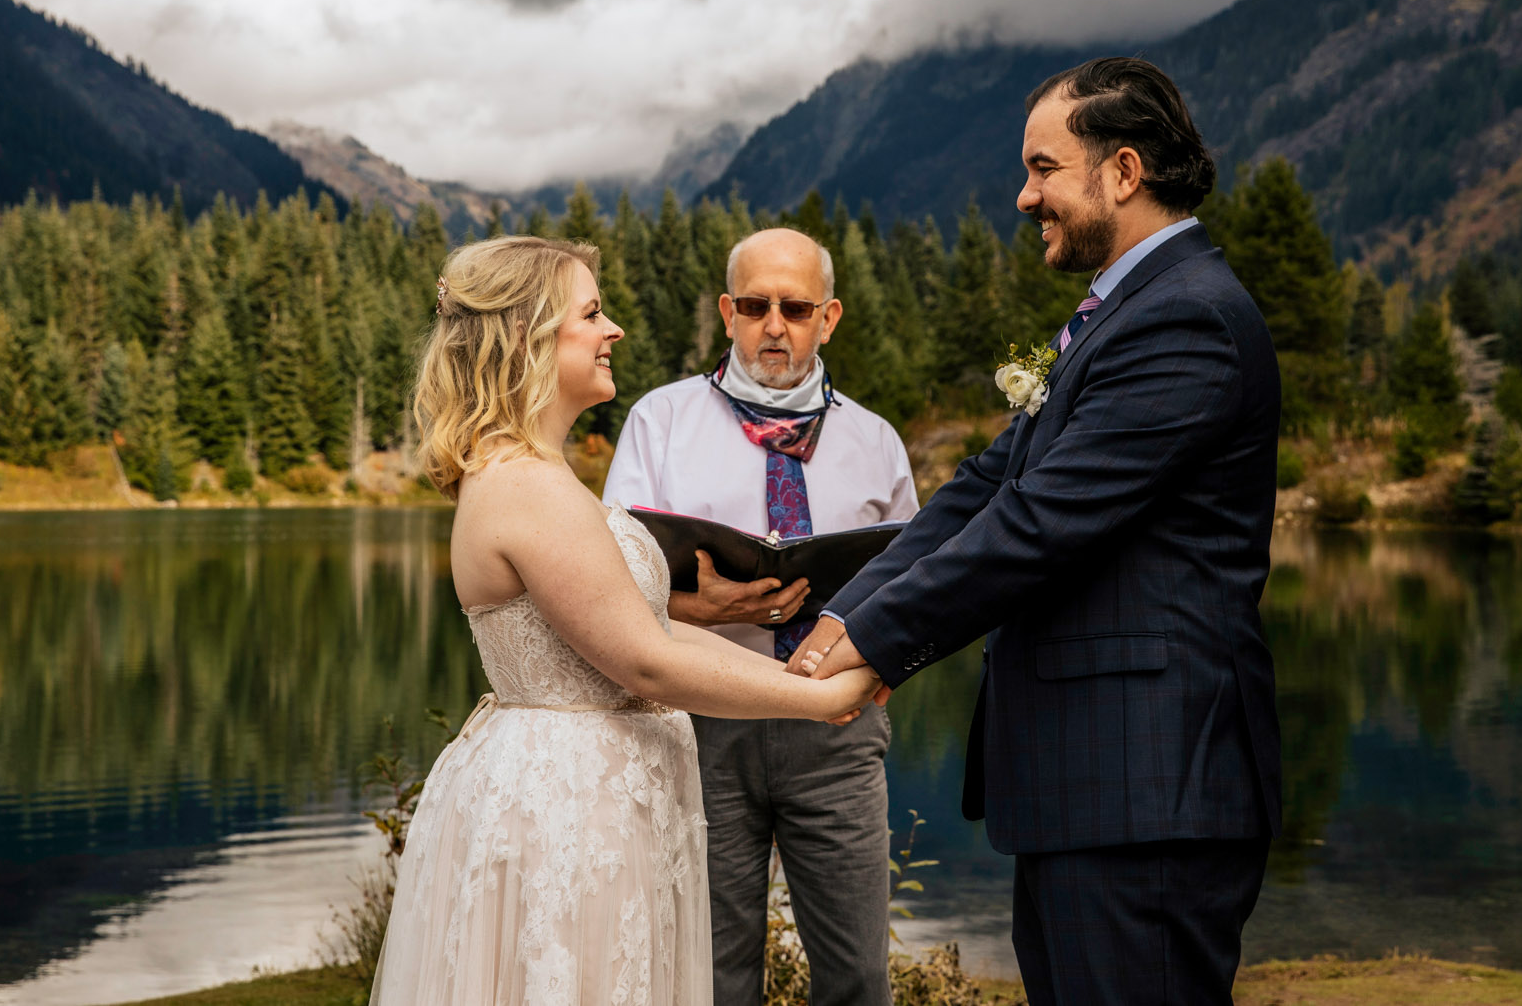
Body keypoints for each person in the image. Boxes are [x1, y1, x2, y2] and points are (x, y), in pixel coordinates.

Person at [795, 58, 1284, 1006]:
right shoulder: (1125, 310)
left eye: (1043, 168)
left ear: (1124, 170)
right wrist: (843, 614)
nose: (1025, 197)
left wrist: (875, 649)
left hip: (1149, 788)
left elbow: (1041, 524)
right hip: (1095, 788)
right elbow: (985, 486)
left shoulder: (1188, 319)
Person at [372, 235, 881, 1006]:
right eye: (592, 312)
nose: (613, 331)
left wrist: (798, 670)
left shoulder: (540, 474)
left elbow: (651, 631)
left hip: (600, 803)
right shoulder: (525, 487)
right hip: (567, 816)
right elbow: (645, 659)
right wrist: (820, 697)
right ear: (530, 335)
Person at [603, 226, 918, 1006]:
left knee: (856, 974)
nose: (774, 324)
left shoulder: (876, 441)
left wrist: (881, 653)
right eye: (754, 305)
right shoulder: (659, 421)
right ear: (726, 311)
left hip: (837, 728)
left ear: (830, 316)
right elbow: (605, 578)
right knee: (713, 972)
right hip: (697, 720)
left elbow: (916, 581)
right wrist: (697, 607)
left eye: (795, 306)